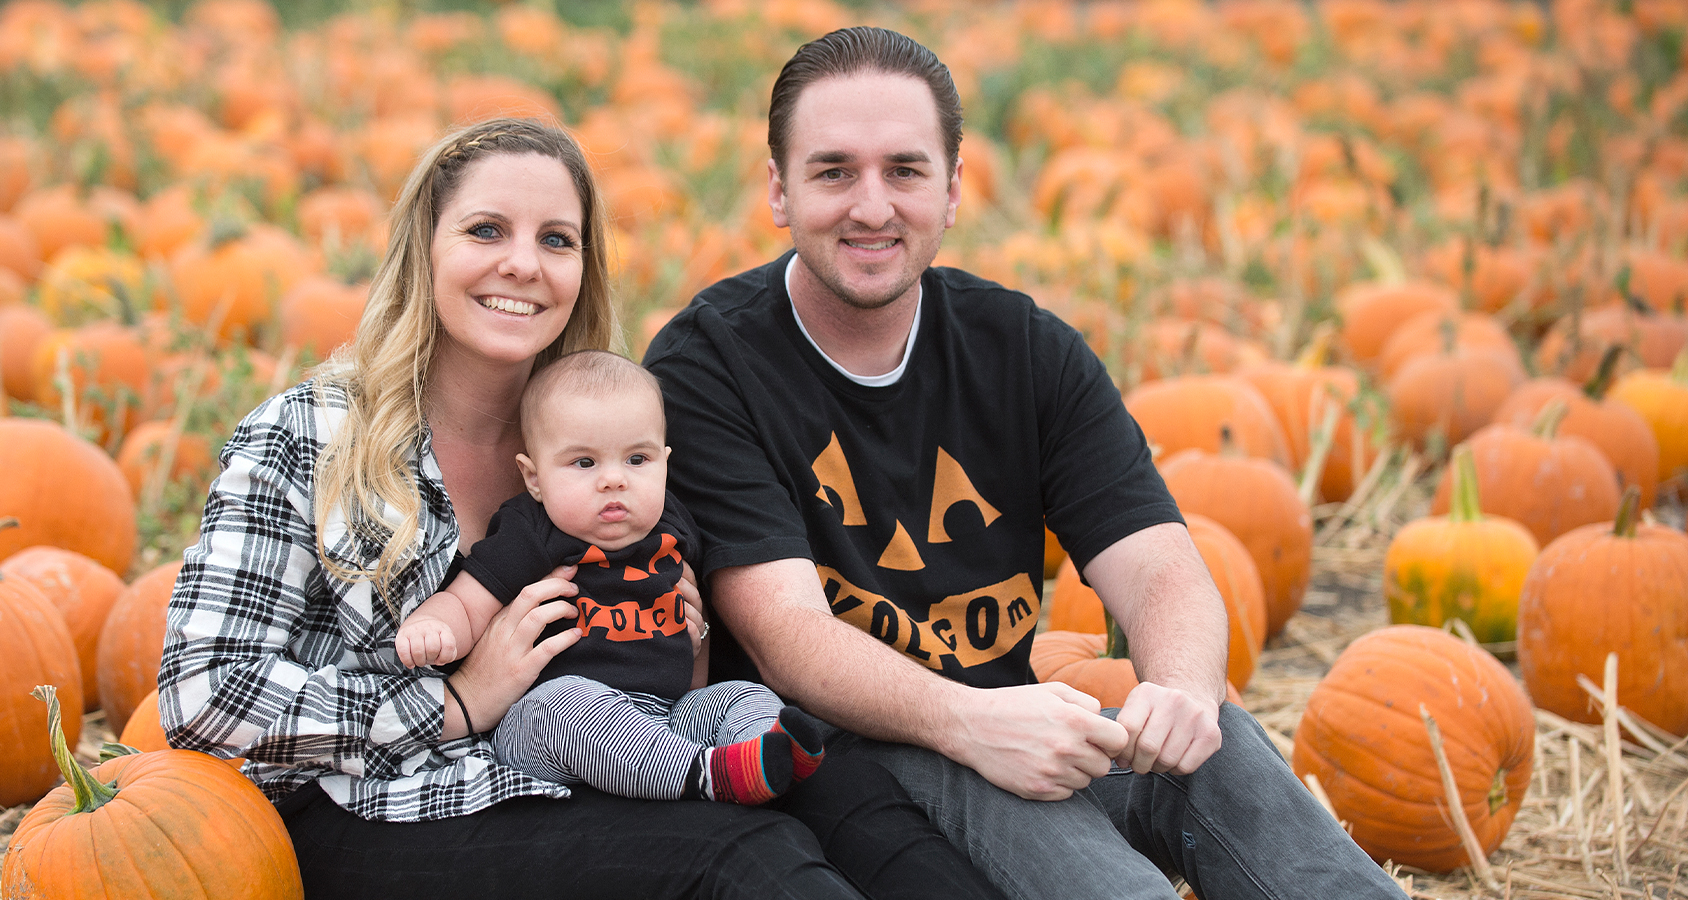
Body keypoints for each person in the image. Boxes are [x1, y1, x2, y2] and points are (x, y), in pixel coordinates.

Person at [643, 26, 1412, 900]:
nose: (870, 206)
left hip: (1017, 730)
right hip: (853, 762)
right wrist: (971, 721)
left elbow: (1160, 562)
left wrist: (1186, 691)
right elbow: (790, 641)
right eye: (833, 172)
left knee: (1222, 747)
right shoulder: (708, 366)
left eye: (904, 170)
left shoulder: (1024, 349)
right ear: (778, 189)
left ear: (954, 189)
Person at [158, 115, 1004, 900]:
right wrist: (456, 704)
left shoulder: (607, 430)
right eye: (487, 230)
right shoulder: (307, 436)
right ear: (424, 247)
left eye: (555, 240)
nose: (523, 263)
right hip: (377, 806)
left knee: (830, 776)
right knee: (734, 856)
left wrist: (692, 635)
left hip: (591, 754)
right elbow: (201, 697)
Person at [394, 349, 823, 806]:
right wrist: (435, 627)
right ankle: (706, 773)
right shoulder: (533, 532)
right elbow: (467, 601)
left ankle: (766, 751)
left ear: (665, 461)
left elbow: (688, 627)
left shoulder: (674, 527)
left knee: (738, 695)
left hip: (665, 715)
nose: (614, 480)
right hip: (547, 727)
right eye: (584, 463)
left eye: (637, 459)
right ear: (534, 479)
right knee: (566, 704)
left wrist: (697, 677)